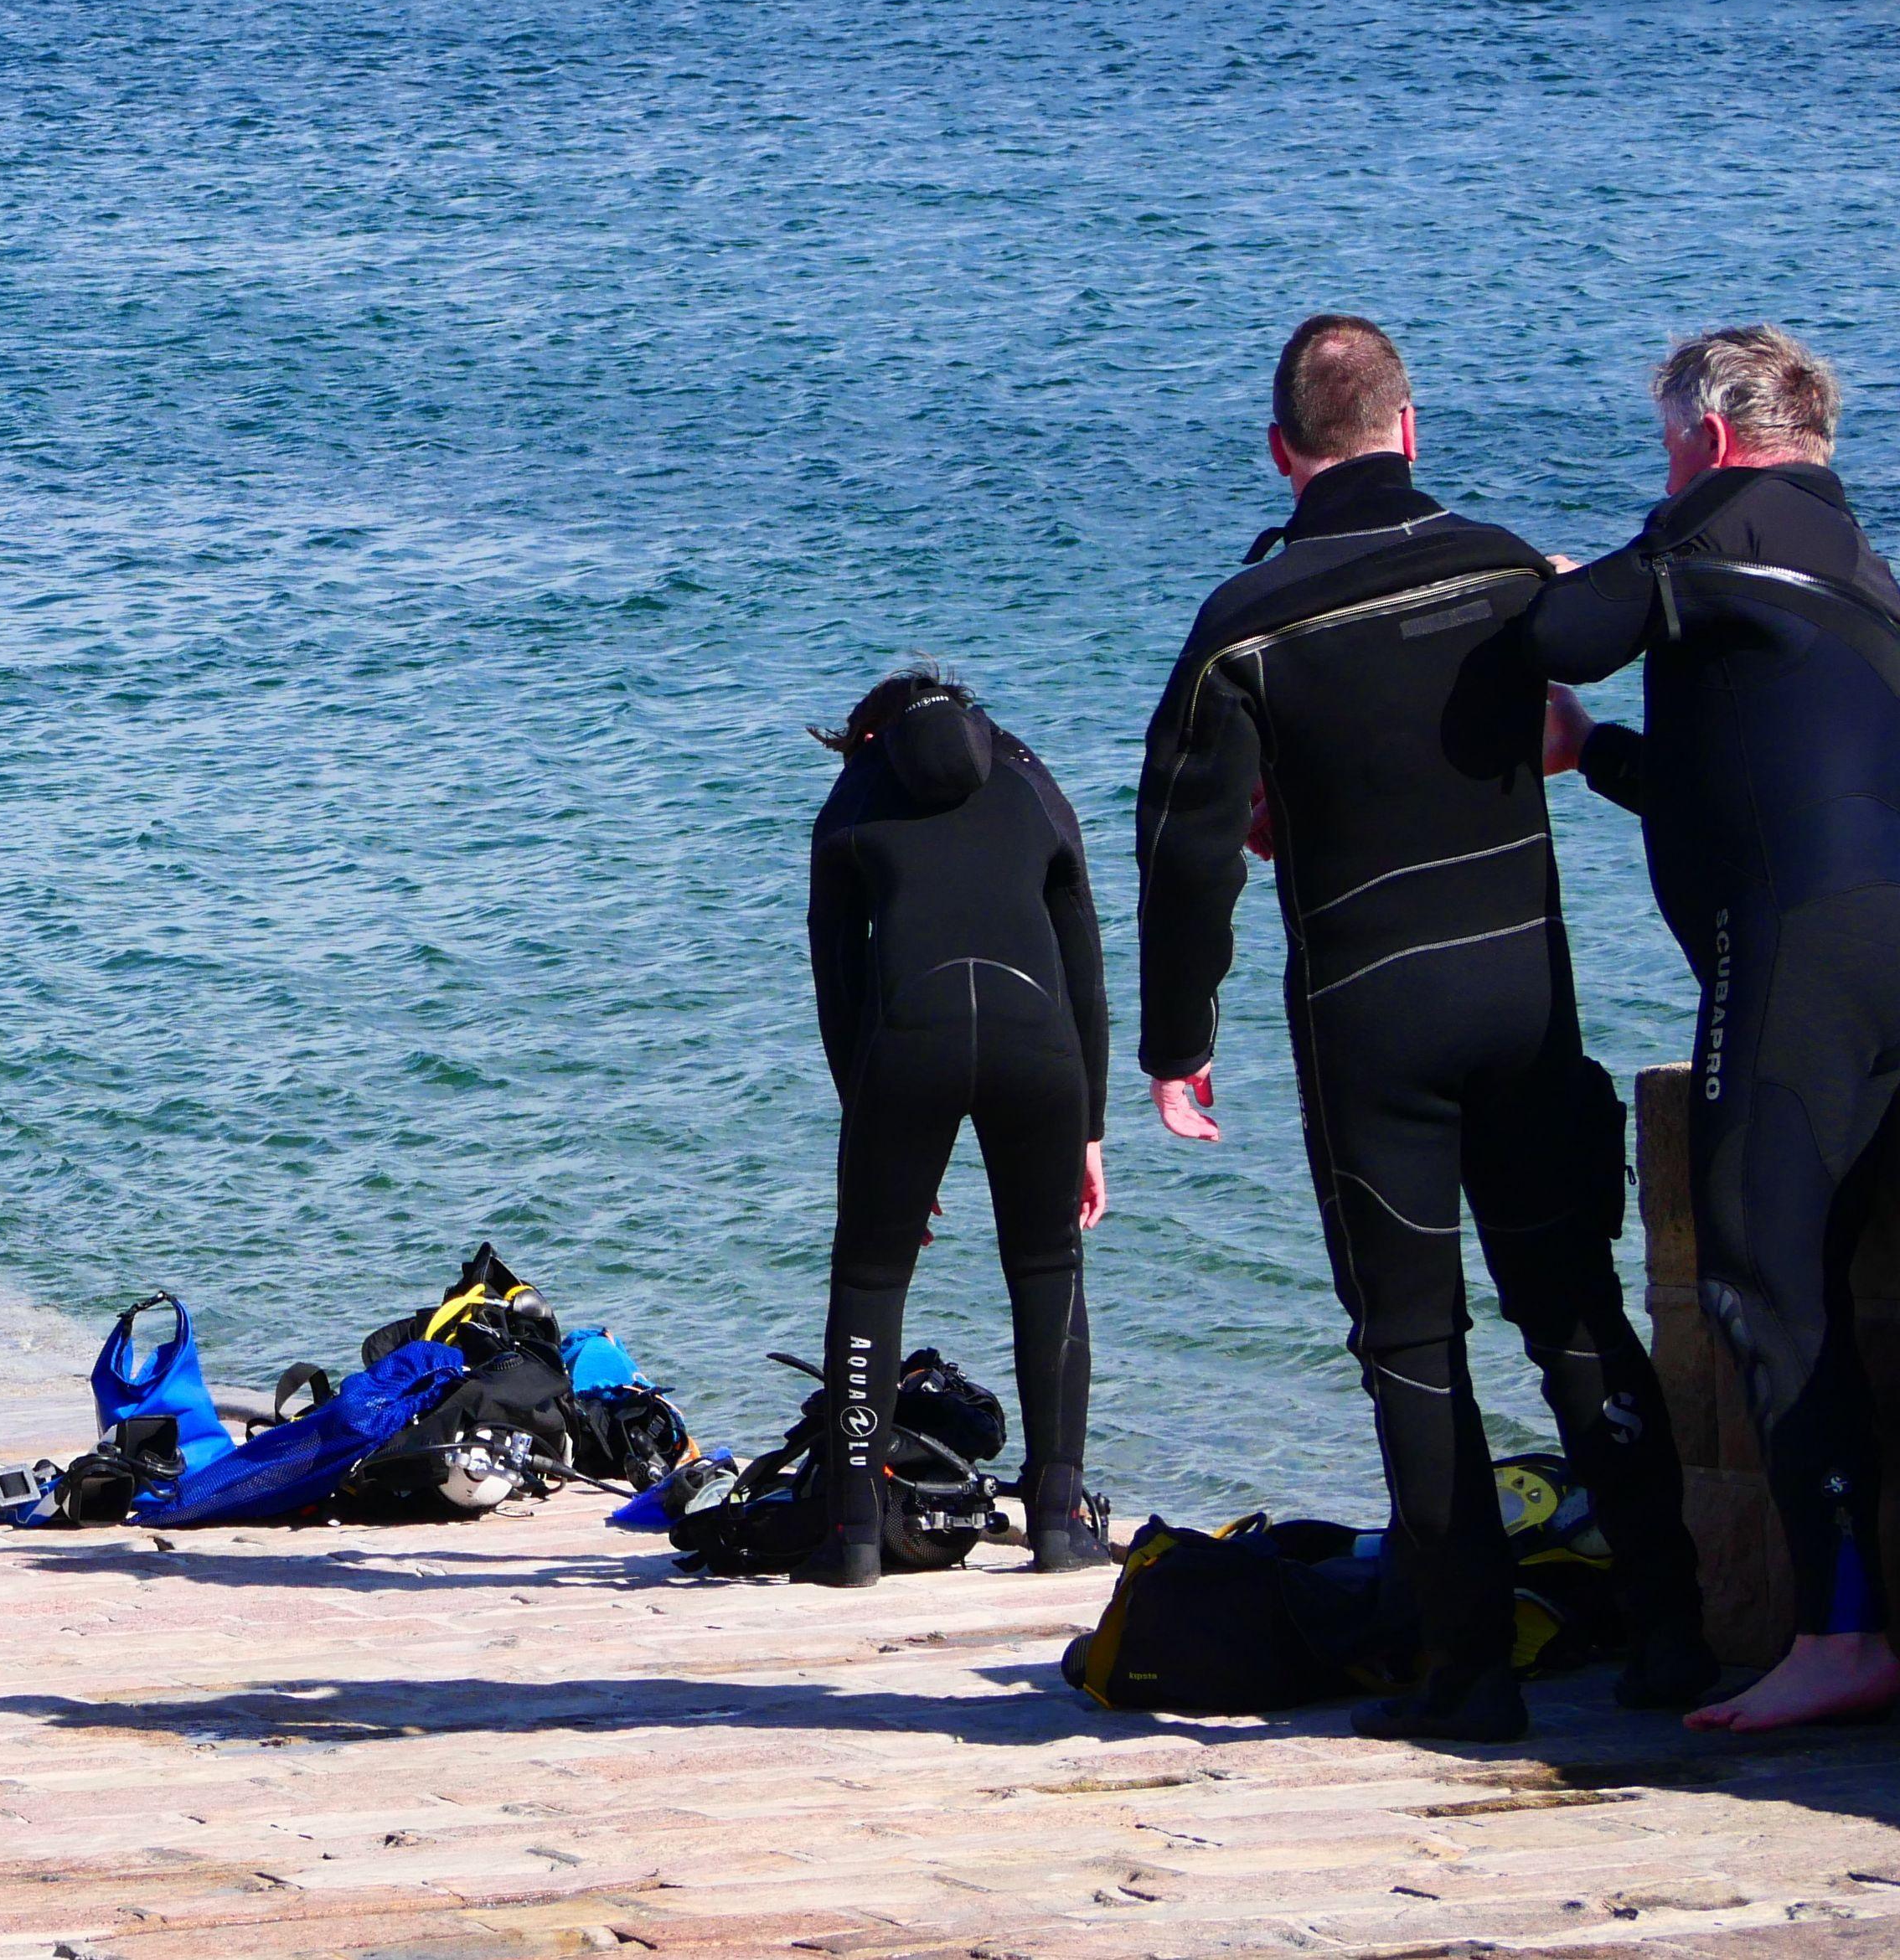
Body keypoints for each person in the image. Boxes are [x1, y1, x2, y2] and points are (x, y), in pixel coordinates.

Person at [1139, 313, 1707, 1739]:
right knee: (1571, 1308)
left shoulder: (1243, 626)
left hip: (1365, 1012)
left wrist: (1174, 1039)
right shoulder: (1507, 571)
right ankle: (1672, 1634)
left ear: (1282, 451)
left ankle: (1468, 1674)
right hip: (1519, 990)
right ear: (1409, 426)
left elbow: (1188, 845)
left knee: (1409, 1340)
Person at [1533, 322, 1900, 1734]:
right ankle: (1851, 1616)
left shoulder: (1717, 521)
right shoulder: (1845, 556)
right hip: (1873, 944)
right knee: (1822, 1271)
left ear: (1713, 434)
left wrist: (1571, 573)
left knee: (1754, 1268)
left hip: (1800, 951)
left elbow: (1562, 634)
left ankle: (1840, 1632)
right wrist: (1595, 753)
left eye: (1669, 443)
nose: (1667, 466)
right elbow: (1741, 780)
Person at [804, 667, 1110, 1589]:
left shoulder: (854, 796)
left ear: (870, 738)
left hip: (909, 1045)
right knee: (1049, 1265)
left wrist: (870, 1117)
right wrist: (1091, 1124)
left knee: (871, 1272)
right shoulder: (1029, 777)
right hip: (1040, 1045)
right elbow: (1083, 957)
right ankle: (1058, 1520)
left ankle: (854, 1534)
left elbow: (838, 982)